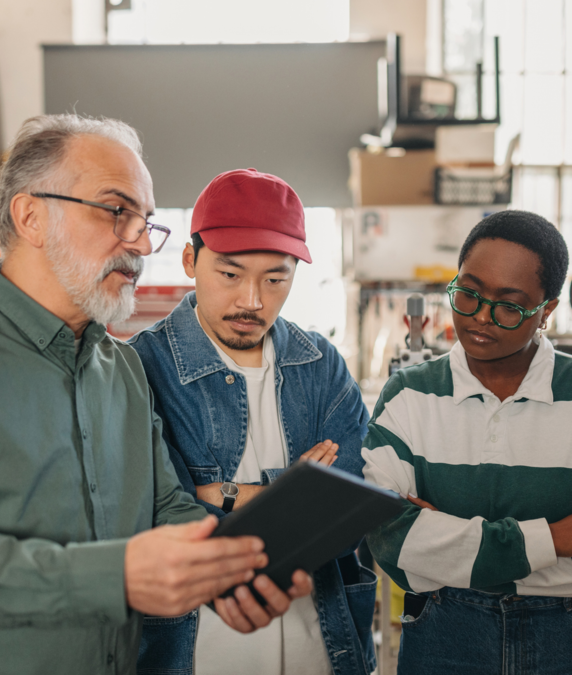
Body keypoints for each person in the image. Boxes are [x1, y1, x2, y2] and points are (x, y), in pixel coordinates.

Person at [0, 116, 312, 675]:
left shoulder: (122, 368)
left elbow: (164, 509)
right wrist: (116, 577)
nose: (141, 243)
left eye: (146, 222)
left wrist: (229, 571)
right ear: (31, 216)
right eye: (117, 212)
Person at [362, 210, 572, 675]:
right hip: (443, 637)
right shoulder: (408, 396)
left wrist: (448, 546)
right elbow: (393, 542)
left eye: (509, 306)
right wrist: (558, 538)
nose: (480, 317)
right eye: (468, 293)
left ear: (547, 311)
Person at [130, 168, 375, 675]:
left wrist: (221, 494)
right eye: (230, 274)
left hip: (321, 650)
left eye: (275, 278)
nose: (252, 300)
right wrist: (294, 489)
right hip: (194, 652)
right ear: (190, 260)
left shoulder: (320, 363)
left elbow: (347, 514)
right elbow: (154, 514)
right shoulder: (141, 365)